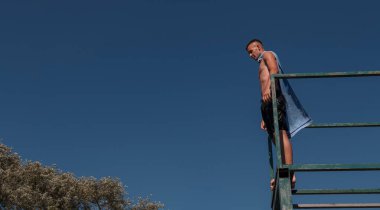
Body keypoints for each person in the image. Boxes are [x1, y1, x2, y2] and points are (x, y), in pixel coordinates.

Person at [246, 39, 297, 191]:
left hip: (273, 96)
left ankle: (290, 172)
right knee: (275, 137)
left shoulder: (268, 54)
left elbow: (274, 71)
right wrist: (263, 115)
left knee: (281, 133)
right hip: (266, 103)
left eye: (251, 51)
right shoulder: (260, 65)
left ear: (259, 47)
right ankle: (284, 169)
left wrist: (270, 89)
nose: (250, 55)